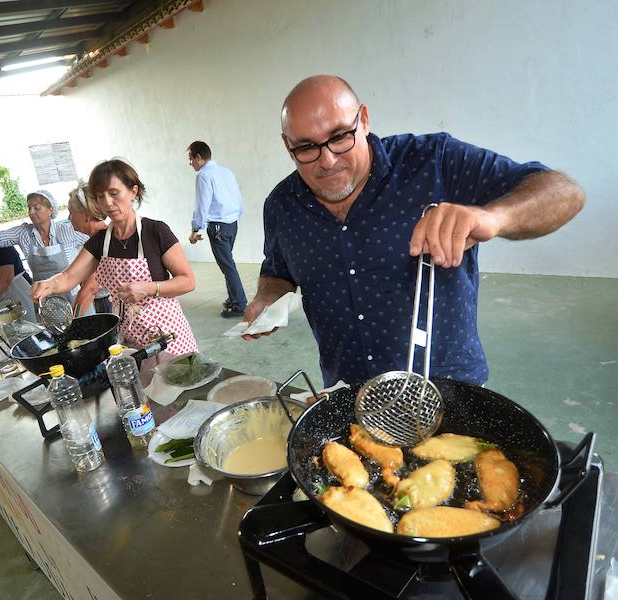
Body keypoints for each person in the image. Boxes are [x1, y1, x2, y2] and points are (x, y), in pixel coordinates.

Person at [245, 75, 584, 387]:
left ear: (363, 120)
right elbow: (278, 273)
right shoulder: (281, 205)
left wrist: (492, 217)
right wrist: (268, 297)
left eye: (339, 137)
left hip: (450, 392)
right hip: (349, 396)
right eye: (306, 148)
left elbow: (563, 192)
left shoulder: (434, 161)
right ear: (287, 145)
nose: (328, 160)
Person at [29, 159, 198, 358]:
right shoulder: (101, 241)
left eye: (114, 193)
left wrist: (149, 288)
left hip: (167, 336)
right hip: (130, 339)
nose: (107, 202)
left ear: (133, 191)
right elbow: (68, 277)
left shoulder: (155, 231)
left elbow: (188, 281)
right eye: (101, 196)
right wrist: (48, 284)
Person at [0, 190, 88, 307]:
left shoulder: (69, 231)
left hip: (73, 296)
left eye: (37, 208)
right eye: (29, 208)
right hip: (43, 300)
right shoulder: (24, 233)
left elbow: (96, 242)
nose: (31, 212)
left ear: (50, 209)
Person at [186, 141, 248, 318]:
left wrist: (196, 228)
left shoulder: (204, 176)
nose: (190, 164)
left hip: (218, 227)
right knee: (228, 264)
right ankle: (232, 298)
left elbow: (202, 205)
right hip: (232, 224)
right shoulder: (226, 171)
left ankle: (239, 305)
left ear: (198, 157)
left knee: (228, 266)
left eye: (191, 159)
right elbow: (237, 196)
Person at [66, 181, 112, 315]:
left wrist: (72, 325)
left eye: (71, 212)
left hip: (109, 303)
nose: (69, 218)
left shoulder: (102, 240)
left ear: (86, 215)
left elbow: (90, 289)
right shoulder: (95, 239)